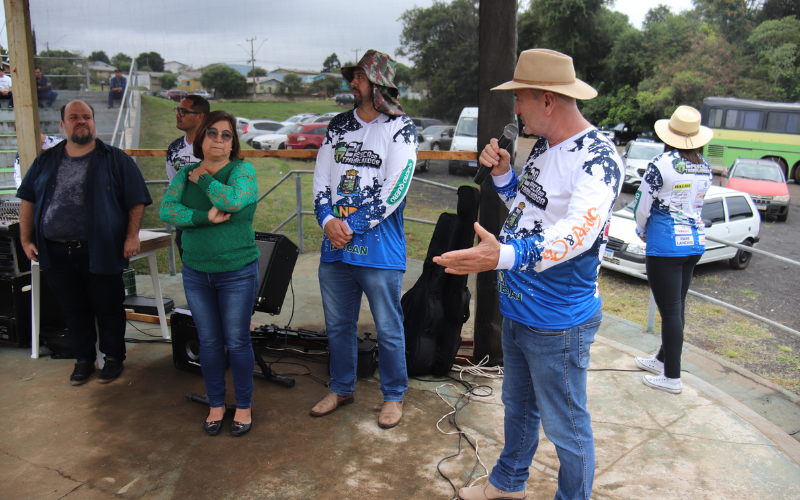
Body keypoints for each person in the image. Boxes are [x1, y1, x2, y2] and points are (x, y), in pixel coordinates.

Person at [433, 49, 622, 500]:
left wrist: (501, 258)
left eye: (520, 99)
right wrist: (502, 176)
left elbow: (576, 234)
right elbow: (529, 206)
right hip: (519, 309)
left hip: (558, 321)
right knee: (517, 406)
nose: (515, 109)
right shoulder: (541, 146)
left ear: (548, 100)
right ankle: (507, 483)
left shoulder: (598, 159)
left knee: (568, 429)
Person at [310, 49, 417, 429]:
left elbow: (396, 187)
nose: (351, 83)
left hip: (379, 248)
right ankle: (341, 387)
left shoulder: (400, 127)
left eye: (358, 77)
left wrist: (350, 224)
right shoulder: (338, 125)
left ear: (377, 83)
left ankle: (393, 395)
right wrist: (326, 220)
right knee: (338, 325)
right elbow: (321, 178)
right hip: (334, 244)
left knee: (388, 327)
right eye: (352, 76)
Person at [17, 100, 152, 385]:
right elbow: (28, 199)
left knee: (108, 306)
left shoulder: (116, 159)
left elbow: (137, 201)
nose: (81, 121)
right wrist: (25, 238)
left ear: (94, 122)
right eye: (74, 117)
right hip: (54, 251)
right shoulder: (45, 160)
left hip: (101, 250)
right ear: (62, 125)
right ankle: (83, 360)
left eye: (87, 116)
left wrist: (131, 236)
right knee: (73, 309)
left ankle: (113, 359)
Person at [159, 110, 260, 437]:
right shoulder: (181, 173)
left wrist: (203, 178)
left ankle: (243, 406)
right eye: (212, 133)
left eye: (226, 134)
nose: (218, 139)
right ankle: (216, 404)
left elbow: (231, 201)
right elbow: (167, 209)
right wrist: (204, 217)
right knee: (210, 342)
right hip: (196, 273)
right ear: (201, 139)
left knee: (237, 340)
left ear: (233, 143)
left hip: (237, 273)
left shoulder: (242, 170)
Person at [632, 106, 713, 394]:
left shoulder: (660, 164)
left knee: (671, 311)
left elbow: (643, 205)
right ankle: (661, 360)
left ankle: (672, 377)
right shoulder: (705, 166)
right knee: (676, 307)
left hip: (665, 246)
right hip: (694, 244)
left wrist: (641, 231)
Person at [166, 95, 209, 257]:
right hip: (184, 224)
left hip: (212, 223)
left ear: (200, 116)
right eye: (178, 110)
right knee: (191, 273)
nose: (178, 115)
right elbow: (173, 185)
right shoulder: (174, 148)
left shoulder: (216, 145)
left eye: (183, 111)